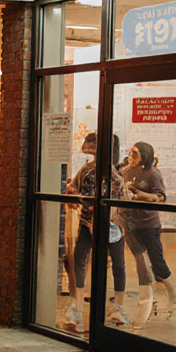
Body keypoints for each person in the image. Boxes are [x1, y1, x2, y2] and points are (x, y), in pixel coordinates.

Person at [63, 133, 128, 333]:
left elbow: (72, 192)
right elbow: (123, 201)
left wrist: (78, 200)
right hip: (112, 224)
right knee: (118, 264)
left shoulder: (87, 170)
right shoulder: (117, 175)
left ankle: (78, 308)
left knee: (80, 260)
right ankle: (118, 306)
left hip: (87, 221)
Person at [117, 141, 176, 329]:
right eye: (130, 153)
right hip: (129, 223)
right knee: (140, 262)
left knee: (157, 262)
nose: (131, 158)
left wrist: (139, 194)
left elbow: (160, 197)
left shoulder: (152, 174)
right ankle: (146, 302)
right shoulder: (126, 170)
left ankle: (172, 291)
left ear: (145, 156)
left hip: (148, 224)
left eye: (135, 154)